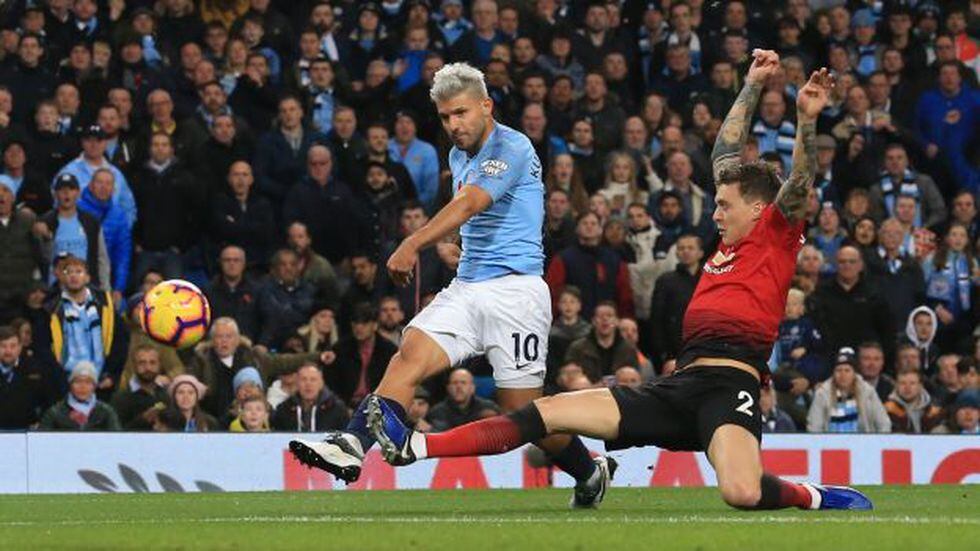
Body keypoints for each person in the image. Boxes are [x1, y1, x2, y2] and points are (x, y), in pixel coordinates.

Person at [367, 54, 874, 511]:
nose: (715, 212)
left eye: (724, 205)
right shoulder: (730, 235)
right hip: (678, 385)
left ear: (760, 208)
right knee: (543, 413)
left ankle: (810, 495)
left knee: (742, 492)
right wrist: (751, 85)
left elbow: (801, 181)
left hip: (730, 386)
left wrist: (807, 119)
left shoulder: (777, 236)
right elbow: (725, 149)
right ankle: (417, 446)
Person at [291, 62, 608, 508]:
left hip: (516, 293)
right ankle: (352, 444)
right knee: (409, 353)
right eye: (444, 117)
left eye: (461, 113)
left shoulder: (512, 146)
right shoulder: (459, 155)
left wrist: (412, 243)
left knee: (524, 413)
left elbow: (471, 202)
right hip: (467, 286)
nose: (454, 125)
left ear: (486, 106)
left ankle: (589, 470)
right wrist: (460, 248)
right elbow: (477, 214)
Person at [806, 348, 891, 434]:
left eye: (847, 370)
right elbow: (814, 426)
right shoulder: (822, 393)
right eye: (838, 370)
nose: (843, 375)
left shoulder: (868, 391)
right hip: (830, 441)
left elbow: (884, 423)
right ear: (833, 373)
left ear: (854, 373)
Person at [564, 301, 637, 383]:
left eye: (609, 316)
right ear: (593, 321)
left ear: (617, 321)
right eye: (600, 316)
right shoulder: (577, 348)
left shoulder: (628, 350)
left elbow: (635, 381)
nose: (605, 319)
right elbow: (570, 380)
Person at [0, 326, 58, 429]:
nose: (8, 351)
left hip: (28, 432)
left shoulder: (36, 370)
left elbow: (48, 401)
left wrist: (41, 423)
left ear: (20, 347)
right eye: (3, 346)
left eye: (13, 346)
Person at [38, 361, 121, 431]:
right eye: (78, 381)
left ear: (94, 386)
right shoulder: (54, 413)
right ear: (70, 385)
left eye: (88, 382)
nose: (83, 387)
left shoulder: (106, 413)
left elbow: (117, 440)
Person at [271, 362, 349, 432]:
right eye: (303, 379)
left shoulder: (337, 409)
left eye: (313, 380)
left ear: (321, 383)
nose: (308, 384)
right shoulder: (284, 409)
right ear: (297, 383)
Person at [110, 345, 170, 431]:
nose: (148, 368)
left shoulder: (166, 395)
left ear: (159, 365)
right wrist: (143, 420)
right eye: (142, 363)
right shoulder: (120, 398)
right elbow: (115, 433)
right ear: (134, 365)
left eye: (152, 363)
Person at [426, 367, 500, 431]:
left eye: (463, 383)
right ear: (448, 388)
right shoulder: (437, 412)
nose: (459, 387)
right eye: (455, 383)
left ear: (472, 388)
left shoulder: (488, 408)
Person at [884, 366, 944, 434]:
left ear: (920, 386)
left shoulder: (934, 409)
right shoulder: (887, 409)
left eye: (912, 383)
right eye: (903, 383)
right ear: (896, 386)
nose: (907, 387)